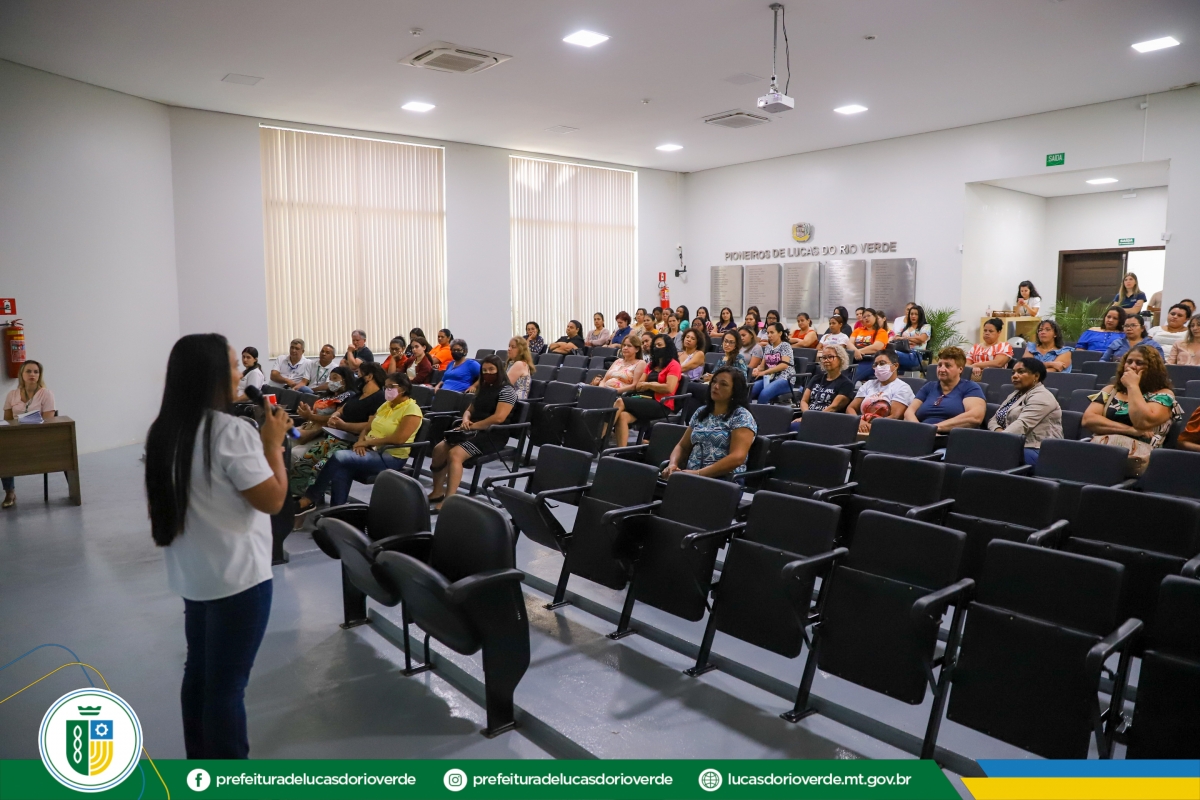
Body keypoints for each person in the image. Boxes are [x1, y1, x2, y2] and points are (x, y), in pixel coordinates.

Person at [145, 333, 289, 759]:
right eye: (232, 365)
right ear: (210, 375)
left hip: (195, 576)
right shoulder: (230, 431)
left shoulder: (164, 431)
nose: (240, 373)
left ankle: (199, 771)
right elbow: (273, 500)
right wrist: (272, 445)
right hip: (239, 580)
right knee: (226, 690)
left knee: (199, 675)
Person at [304, 372, 424, 507]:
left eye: (391, 387)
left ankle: (311, 497)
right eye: (386, 387)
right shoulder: (386, 405)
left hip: (391, 456)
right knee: (343, 468)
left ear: (403, 388)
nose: (387, 390)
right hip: (371, 450)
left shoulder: (412, 409)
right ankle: (338, 510)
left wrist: (367, 442)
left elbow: (399, 439)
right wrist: (360, 442)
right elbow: (367, 427)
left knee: (339, 456)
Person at [428, 356, 517, 509]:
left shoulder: (507, 390)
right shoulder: (483, 388)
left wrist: (474, 426)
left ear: (499, 370)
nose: (488, 373)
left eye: (491, 369)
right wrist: (465, 420)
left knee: (455, 454)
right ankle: (437, 491)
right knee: (439, 450)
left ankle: (450, 499)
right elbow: (469, 410)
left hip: (493, 434)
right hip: (471, 429)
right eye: (484, 370)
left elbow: (499, 418)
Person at [291, 364, 387, 505]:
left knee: (320, 466)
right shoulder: (359, 395)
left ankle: (309, 500)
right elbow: (341, 410)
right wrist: (334, 416)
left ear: (369, 377)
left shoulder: (379, 398)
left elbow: (369, 426)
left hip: (351, 441)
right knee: (304, 461)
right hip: (336, 436)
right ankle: (298, 495)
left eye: (359, 374)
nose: (356, 377)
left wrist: (343, 425)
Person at [1083, 345, 1181, 473]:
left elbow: (1142, 422)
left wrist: (1133, 386)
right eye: (1129, 362)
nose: (1132, 366)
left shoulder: (1164, 395)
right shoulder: (1110, 390)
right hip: (1100, 448)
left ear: (1153, 368)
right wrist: (1131, 430)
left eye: (1139, 363)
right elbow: (1088, 420)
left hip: (1138, 458)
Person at [662, 367, 757, 479]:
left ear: (735, 391)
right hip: (690, 476)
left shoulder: (741, 416)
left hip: (723, 479)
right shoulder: (702, 411)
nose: (716, 386)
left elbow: (737, 458)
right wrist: (673, 464)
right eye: (714, 381)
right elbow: (682, 446)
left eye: (723, 384)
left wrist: (698, 473)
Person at [988, 358, 1063, 465]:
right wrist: (999, 431)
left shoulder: (1042, 396)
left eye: (1021, 372)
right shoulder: (1015, 394)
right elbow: (993, 419)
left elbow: (1023, 424)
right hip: (1013, 444)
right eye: (1013, 372)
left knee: (987, 455)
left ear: (1036, 376)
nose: (1014, 376)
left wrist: (997, 441)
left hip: (1039, 450)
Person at [2, 360, 56, 508]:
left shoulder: (46, 394)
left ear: (39, 375)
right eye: (29, 371)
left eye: (36, 372)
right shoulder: (12, 395)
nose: (32, 374)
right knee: (3, 451)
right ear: (22, 374)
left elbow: (48, 420)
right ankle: (10, 492)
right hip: (16, 437)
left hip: (38, 437)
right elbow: (8, 421)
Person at [905, 347, 986, 432]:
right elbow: (909, 412)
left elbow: (975, 417)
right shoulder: (929, 387)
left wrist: (933, 429)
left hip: (950, 436)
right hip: (922, 434)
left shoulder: (970, 388)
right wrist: (919, 430)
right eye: (939, 365)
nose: (941, 369)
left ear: (960, 369)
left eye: (948, 366)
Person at [615, 334, 682, 435]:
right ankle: (616, 445)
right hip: (645, 399)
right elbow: (639, 385)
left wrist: (649, 385)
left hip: (662, 404)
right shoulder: (651, 365)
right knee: (622, 416)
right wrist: (653, 385)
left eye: (659, 345)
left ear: (668, 347)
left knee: (620, 401)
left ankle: (600, 435)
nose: (656, 348)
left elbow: (669, 388)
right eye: (654, 345)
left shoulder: (674, 365)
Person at [846, 350, 915, 433]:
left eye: (882, 363)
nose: (878, 367)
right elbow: (851, 408)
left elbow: (895, 416)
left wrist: (872, 427)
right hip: (861, 428)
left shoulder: (903, 388)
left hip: (886, 431)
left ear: (895, 366)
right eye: (875, 365)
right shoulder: (868, 384)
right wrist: (859, 422)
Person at [750, 322, 796, 405]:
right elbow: (762, 367)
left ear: (780, 333)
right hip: (770, 378)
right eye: (768, 333)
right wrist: (757, 370)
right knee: (749, 390)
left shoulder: (785, 345)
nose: (769, 335)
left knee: (764, 394)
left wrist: (765, 372)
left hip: (785, 378)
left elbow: (784, 365)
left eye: (772, 332)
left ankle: (761, 413)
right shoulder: (768, 347)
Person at [800, 345, 854, 414]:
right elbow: (804, 401)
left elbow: (833, 407)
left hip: (827, 418)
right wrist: (806, 415)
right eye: (824, 357)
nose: (826, 360)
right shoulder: (816, 378)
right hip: (808, 415)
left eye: (830, 357)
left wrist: (813, 417)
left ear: (841, 359)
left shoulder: (846, 384)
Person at [849, 308, 891, 381]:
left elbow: (876, 347)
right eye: (864, 317)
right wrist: (856, 351)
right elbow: (849, 343)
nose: (866, 318)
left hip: (871, 361)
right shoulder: (858, 330)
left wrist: (858, 352)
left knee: (852, 376)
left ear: (875, 317)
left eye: (868, 316)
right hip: (854, 359)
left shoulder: (881, 332)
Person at [894, 305, 931, 370]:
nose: (913, 316)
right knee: (887, 355)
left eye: (916, 314)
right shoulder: (905, 326)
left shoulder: (925, 327)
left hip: (916, 355)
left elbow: (922, 339)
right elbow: (896, 338)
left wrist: (905, 339)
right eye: (911, 314)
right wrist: (914, 339)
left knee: (892, 355)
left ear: (920, 315)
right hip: (902, 351)